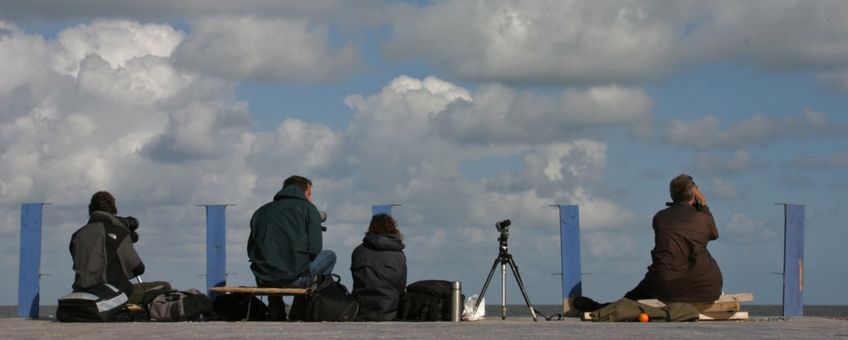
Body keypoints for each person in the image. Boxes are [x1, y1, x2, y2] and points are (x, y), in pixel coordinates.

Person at [575, 174, 723, 312]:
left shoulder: (660, 218)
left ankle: (604, 308)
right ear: (694, 195)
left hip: (666, 285)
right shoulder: (703, 218)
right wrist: (703, 206)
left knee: (633, 296)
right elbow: (713, 234)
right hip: (707, 287)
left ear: (672, 195)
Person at [248, 175, 336, 320]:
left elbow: (251, 250)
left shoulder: (261, 211)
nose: (310, 199)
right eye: (309, 194)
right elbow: (315, 250)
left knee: (274, 265)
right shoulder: (309, 209)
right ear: (302, 192)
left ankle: (275, 307)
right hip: (295, 281)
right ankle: (299, 309)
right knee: (329, 255)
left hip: (264, 279)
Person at [70, 191, 145, 297]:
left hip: (80, 292)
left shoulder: (77, 235)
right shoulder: (119, 233)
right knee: (162, 287)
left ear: (91, 210)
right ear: (113, 209)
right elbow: (138, 268)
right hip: (110, 293)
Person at [350, 214, 407, 321]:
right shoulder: (398, 254)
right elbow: (402, 285)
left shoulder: (358, 251)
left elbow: (355, 280)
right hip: (390, 312)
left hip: (361, 310)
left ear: (371, 228)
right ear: (393, 228)